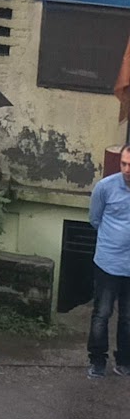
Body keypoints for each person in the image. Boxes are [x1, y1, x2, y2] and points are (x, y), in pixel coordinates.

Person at [86, 146, 130, 379]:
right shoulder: (105, 187)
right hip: (108, 262)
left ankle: (124, 361)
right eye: (123, 164)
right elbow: (94, 219)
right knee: (102, 314)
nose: (126, 169)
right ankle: (97, 361)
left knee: (128, 318)